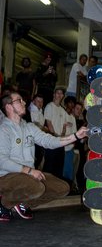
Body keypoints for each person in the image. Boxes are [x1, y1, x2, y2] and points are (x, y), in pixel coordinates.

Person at [0, 92, 87, 222]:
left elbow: (51, 142)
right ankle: (4, 203)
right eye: (19, 100)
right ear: (8, 107)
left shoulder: (29, 127)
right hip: (7, 176)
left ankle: (23, 203)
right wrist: (29, 171)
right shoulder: (3, 129)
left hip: (27, 177)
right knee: (37, 187)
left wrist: (76, 136)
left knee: (62, 188)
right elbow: (1, 161)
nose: (24, 103)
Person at [42, 87, 68, 179]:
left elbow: (64, 126)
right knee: (49, 166)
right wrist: (55, 137)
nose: (59, 95)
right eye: (57, 93)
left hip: (60, 143)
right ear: (54, 94)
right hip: (51, 141)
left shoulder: (63, 110)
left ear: (63, 96)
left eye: (61, 93)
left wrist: (62, 137)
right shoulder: (49, 106)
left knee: (59, 167)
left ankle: (57, 190)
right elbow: (48, 123)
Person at [28, 93, 46, 169]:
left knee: (38, 160)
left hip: (39, 139)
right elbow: (34, 125)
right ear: (33, 101)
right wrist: (44, 128)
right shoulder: (31, 110)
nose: (40, 103)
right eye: (38, 101)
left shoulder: (40, 111)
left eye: (41, 101)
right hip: (32, 140)